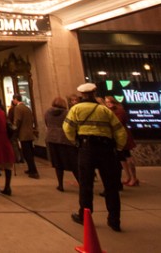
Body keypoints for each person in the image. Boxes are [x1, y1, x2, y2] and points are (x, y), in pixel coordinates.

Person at [64, 83, 127, 232]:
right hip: (106, 149)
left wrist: (76, 141)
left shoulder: (76, 109)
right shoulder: (105, 110)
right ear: (94, 94)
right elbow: (120, 131)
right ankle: (114, 220)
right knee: (111, 186)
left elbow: (67, 128)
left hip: (87, 148)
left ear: (82, 95)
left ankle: (85, 216)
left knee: (86, 184)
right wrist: (118, 148)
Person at [44, 97, 79, 192]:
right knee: (73, 163)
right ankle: (81, 183)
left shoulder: (47, 112)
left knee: (57, 163)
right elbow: (72, 125)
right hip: (65, 139)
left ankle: (60, 184)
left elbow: (46, 123)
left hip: (52, 138)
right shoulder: (67, 113)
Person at [105, 96, 139, 186]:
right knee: (121, 158)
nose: (108, 103)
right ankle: (128, 176)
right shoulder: (109, 111)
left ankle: (133, 177)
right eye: (106, 102)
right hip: (115, 135)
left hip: (123, 135)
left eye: (110, 102)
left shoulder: (119, 111)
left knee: (127, 156)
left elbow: (118, 123)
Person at [12, 94, 39, 178]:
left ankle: (33, 171)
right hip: (29, 133)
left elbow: (18, 120)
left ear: (16, 99)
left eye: (14, 99)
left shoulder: (18, 108)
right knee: (30, 152)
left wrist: (14, 129)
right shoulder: (27, 108)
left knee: (27, 153)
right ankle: (31, 169)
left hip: (23, 134)